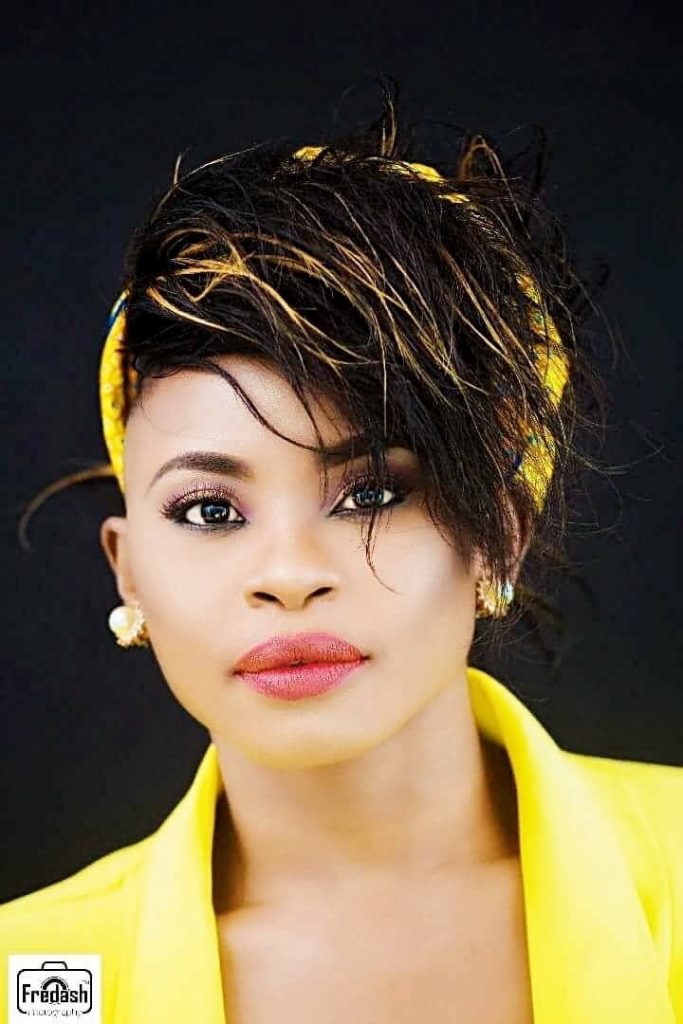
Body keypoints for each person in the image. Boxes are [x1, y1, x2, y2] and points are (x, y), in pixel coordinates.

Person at [2, 82, 682, 1023]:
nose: (288, 574)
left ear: (499, 537)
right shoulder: (32, 975)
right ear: (128, 571)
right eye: (208, 510)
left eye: (370, 494)